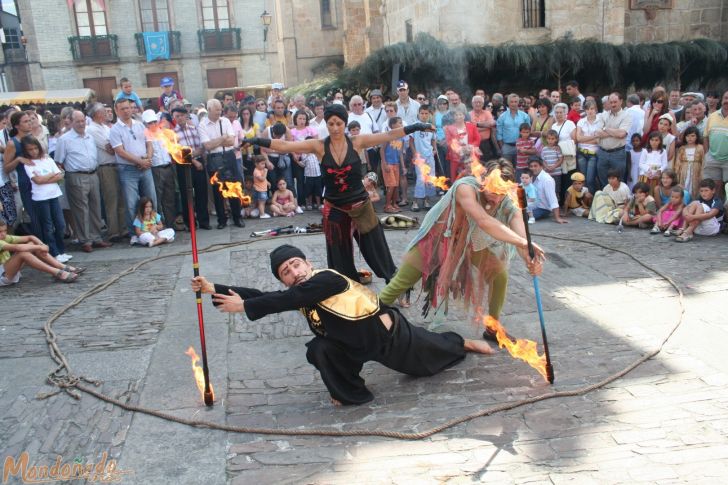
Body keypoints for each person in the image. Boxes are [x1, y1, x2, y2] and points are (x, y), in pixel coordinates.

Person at [191, 244, 493, 405]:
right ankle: (351, 392)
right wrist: (211, 287)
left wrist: (243, 307)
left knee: (428, 359)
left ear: (307, 263)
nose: (293, 272)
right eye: (285, 271)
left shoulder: (326, 278)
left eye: (295, 264)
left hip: (383, 336)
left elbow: (280, 299)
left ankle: (460, 342)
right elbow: (268, 297)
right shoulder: (298, 292)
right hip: (347, 345)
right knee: (319, 350)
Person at [244, 104, 433, 283]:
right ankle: (345, 286)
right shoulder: (318, 146)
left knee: (376, 248)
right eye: (331, 124)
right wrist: (256, 141)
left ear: (345, 123)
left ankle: (394, 282)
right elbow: (285, 146)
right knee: (338, 253)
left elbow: (389, 134)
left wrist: (416, 126)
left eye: (339, 124)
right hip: (335, 207)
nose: (335, 128)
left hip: (361, 205)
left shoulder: (358, 141)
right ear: (326, 124)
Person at [378, 160, 545, 341]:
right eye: (492, 190)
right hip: (438, 239)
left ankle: (492, 328)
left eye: (501, 193)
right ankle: (365, 317)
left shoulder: (509, 198)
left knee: (499, 276)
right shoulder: (465, 187)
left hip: (470, 243)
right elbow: (483, 221)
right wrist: (523, 243)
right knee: (400, 283)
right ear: (483, 181)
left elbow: (520, 233)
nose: (496, 197)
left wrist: (530, 258)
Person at [55, 110, 112, 253]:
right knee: (81, 209)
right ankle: (85, 240)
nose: (81, 124)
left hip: (93, 173)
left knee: (95, 206)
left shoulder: (89, 136)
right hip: (76, 175)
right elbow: (58, 161)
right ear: (71, 122)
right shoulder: (65, 139)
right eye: (77, 121)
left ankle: (96, 237)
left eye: (82, 121)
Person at [109, 98, 156, 234]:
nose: (126, 111)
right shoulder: (115, 130)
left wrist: (148, 158)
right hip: (128, 170)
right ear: (116, 111)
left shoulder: (140, 125)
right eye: (122, 108)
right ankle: (135, 233)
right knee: (131, 204)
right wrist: (139, 161)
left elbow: (149, 143)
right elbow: (120, 151)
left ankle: (153, 229)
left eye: (128, 108)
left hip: (145, 167)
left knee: (151, 199)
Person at [199, 98, 244, 229]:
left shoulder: (225, 121)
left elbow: (231, 141)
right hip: (214, 158)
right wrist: (223, 137)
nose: (220, 112)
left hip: (229, 156)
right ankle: (221, 220)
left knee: (233, 188)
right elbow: (207, 146)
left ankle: (237, 217)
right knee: (218, 191)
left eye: (220, 109)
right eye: (217, 109)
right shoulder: (202, 124)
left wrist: (217, 141)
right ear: (209, 110)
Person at [21, 136, 67, 262]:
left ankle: (61, 249)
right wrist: (51, 175)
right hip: (40, 197)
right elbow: (38, 181)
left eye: (36, 148)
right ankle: (54, 251)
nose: (34, 151)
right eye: (30, 149)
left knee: (60, 224)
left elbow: (59, 175)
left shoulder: (47, 159)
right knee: (48, 225)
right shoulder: (29, 164)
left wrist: (47, 176)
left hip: (53, 194)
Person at [0, 217, 83, 285]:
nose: (3, 234)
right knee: (23, 254)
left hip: (7, 269)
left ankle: (62, 267)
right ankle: (58, 273)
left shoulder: (4, 237)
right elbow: (18, 248)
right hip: (2, 275)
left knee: (32, 244)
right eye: (0, 232)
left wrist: (41, 245)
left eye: (5, 231)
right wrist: (39, 247)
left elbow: (31, 237)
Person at [87, 102, 127, 241]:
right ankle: (114, 231)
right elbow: (111, 148)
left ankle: (123, 228)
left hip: (117, 164)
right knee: (111, 199)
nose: (107, 114)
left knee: (121, 198)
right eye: (104, 112)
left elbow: (118, 143)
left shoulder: (106, 127)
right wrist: (118, 146)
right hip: (106, 167)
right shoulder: (92, 129)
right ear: (98, 114)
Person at [172, 107, 211, 231]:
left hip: (198, 163)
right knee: (186, 195)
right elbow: (178, 153)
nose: (179, 118)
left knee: (202, 192)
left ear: (186, 116)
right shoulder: (173, 134)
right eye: (176, 116)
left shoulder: (195, 129)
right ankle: (190, 224)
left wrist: (192, 155)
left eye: (181, 115)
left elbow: (201, 147)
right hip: (183, 166)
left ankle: (204, 221)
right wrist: (192, 159)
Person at [141, 110, 178, 232]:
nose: (153, 124)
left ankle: (171, 224)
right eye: (150, 122)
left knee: (170, 198)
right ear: (145, 124)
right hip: (156, 169)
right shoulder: (145, 135)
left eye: (154, 122)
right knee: (157, 198)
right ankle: (159, 225)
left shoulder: (162, 133)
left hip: (167, 167)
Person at [596, 92, 632, 186]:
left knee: (619, 182)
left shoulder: (626, 116)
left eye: (615, 102)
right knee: (604, 182)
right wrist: (614, 132)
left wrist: (605, 128)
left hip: (618, 154)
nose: (613, 104)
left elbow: (621, 134)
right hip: (602, 153)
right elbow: (597, 133)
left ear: (621, 101)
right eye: (611, 102)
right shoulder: (603, 115)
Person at [675, 178, 724, 242]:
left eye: (706, 190)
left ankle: (688, 231)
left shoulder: (717, 201)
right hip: (697, 229)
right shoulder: (699, 198)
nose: (703, 193)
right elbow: (686, 208)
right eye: (701, 191)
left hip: (713, 229)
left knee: (699, 205)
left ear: (713, 191)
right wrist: (687, 215)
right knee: (694, 203)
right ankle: (684, 228)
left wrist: (692, 217)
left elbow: (710, 215)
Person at [703, 90, 728, 200]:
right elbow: (705, 136)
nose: (727, 101)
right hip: (712, 158)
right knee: (714, 188)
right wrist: (707, 154)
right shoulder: (712, 116)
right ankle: (717, 213)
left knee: (727, 188)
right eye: (726, 98)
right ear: (722, 100)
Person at [411, 105, 437, 212]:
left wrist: (434, 149)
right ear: (419, 114)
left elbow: (433, 140)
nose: (424, 115)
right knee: (420, 179)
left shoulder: (431, 126)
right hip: (420, 157)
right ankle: (416, 201)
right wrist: (414, 154)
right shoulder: (414, 126)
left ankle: (427, 200)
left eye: (426, 113)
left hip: (429, 155)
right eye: (422, 113)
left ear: (429, 114)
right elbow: (411, 141)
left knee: (430, 178)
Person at [528, 156, 567, 223]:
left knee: (522, 216)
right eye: (531, 166)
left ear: (541, 166)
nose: (533, 168)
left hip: (542, 209)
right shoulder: (531, 176)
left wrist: (557, 218)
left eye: (535, 166)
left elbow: (553, 199)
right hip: (532, 206)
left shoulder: (547, 180)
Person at [576, 100, 603, 195]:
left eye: (592, 108)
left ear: (596, 109)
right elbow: (578, 138)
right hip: (582, 153)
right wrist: (594, 136)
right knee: (583, 179)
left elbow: (598, 141)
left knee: (590, 179)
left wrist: (585, 138)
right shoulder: (581, 121)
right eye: (587, 109)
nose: (590, 111)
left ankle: (592, 201)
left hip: (593, 154)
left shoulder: (600, 121)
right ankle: (585, 201)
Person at [445, 110, 480, 182]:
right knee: (455, 178)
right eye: (456, 115)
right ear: (453, 117)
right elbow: (449, 142)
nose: (458, 116)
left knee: (472, 175)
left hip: (471, 155)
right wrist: (459, 149)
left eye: (460, 114)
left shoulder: (471, 126)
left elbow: (478, 138)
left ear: (464, 116)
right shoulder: (449, 128)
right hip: (456, 156)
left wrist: (470, 147)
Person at [497, 94, 531, 165]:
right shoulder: (502, 117)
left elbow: (529, 131)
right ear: (508, 103)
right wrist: (502, 147)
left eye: (515, 102)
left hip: (522, 146)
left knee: (521, 169)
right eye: (511, 102)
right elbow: (499, 133)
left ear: (518, 103)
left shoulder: (525, 116)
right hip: (507, 146)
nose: (513, 104)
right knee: (506, 170)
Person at [381, 117, 406, 213]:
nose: (401, 124)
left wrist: (403, 166)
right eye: (400, 123)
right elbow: (382, 150)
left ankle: (394, 203)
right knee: (391, 185)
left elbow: (400, 153)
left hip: (396, 163)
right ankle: (387, 206)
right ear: (393, 125)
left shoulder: (401, 138)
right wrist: (385, 163)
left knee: (395, 185)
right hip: (388, 164)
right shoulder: (388, 136)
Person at [674, 126, 705, 198]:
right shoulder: (682, 148)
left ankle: (694, 200)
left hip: (696, 170)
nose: (690, 138)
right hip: (684, 170)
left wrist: (702, 174)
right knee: (684, 185)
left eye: (692, 136)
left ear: (697, 137)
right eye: (687, 136)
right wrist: (677, 173)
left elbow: (703, 161)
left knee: (695, 186)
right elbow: (678, 162)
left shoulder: (700, 148)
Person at [302, 139, 322, 210]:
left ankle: (319, 204)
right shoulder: (304, 153)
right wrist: (307, 155)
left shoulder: (316, 152)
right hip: (309, 175)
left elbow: (320, 161)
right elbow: (303, 164)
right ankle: (309, 204)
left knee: (318, 190)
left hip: (317, 175)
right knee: (308, 190)